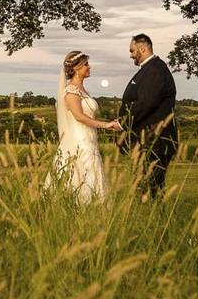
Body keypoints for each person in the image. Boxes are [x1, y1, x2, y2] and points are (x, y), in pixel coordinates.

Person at [44, 51, 122, 203]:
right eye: (86, 64)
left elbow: (88, 116)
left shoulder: (82, 90)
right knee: (85, 170)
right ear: (76, 68)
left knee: (93, 171)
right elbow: (79, 116)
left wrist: (110, 122)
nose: (89, 67)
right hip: (80, 140)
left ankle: (94, 205)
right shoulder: (71, 91)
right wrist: (106, 125)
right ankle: (84, 204)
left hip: (89, 137)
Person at [118, 34, 179, 198]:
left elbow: (146, 103)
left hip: (155, 140)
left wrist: (122, 123)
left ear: (142, 48)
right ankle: (150, 217)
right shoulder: (148, 69)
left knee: (152, 187)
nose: (131, 54)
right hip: (147, 140)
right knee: (146, 186)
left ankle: (158, 219)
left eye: (132, 50)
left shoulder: (155, 69)